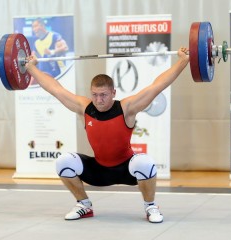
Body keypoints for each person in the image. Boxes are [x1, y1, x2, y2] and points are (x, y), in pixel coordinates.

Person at [25, 47, 189, 223]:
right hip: (99, 170)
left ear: (113, 93)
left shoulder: (127, 108)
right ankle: (84, 205)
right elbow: (55, 88)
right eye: (94, 95)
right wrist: (31, 67)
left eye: (103, 95)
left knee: (146, 163)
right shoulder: (84, 107)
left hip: (127, 169)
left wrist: (183, 61)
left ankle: (150, 206)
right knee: (64, 161)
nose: (98, 100)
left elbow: (158, 86)